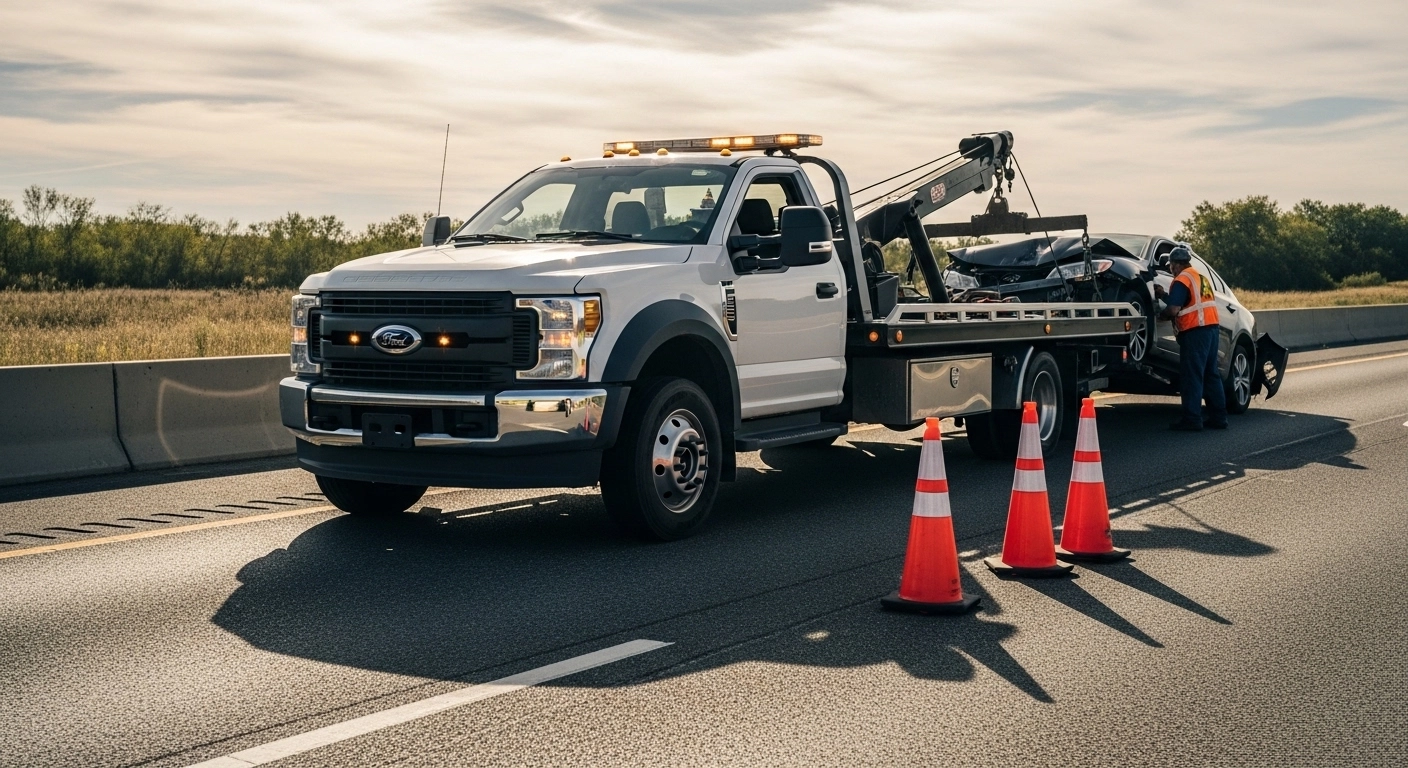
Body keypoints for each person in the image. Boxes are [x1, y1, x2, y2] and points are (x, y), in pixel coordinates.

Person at [1153, 246, 1227, 431]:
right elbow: (1189, 301)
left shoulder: (1181, 279)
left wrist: (1159, 317)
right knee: (1211, 374)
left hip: (1195, 332)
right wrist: (1164, 295)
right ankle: (1219, 418)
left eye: (1171, 266)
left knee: (1192, 376)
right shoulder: (1199, 277)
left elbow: (1173, 310)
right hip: (1211, 329)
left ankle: (1192, 419)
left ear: (1176, 265)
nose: (1171, 269)